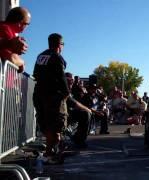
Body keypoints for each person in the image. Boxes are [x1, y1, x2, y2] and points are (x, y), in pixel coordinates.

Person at [33, 33, 69, 164]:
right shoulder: (57, 57)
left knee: (46, 124)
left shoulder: (40, 56)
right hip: (53, 95)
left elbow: (35, 74)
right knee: (56, 125)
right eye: (63, 44)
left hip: (39, 93)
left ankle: (50, 152)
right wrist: (66, 93)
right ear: (60, 45)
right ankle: (51, 154)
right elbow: (61, 77)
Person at [65, 72, 92, 148]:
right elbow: (73, 103)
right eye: (69, 81)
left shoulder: (70, 90)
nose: (71, 83)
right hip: (60, 115)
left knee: (86, 113)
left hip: (67, 113)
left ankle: (78, 138)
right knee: (86, 114)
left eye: (72, 81)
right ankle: (79, 140)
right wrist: (88, 109)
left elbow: (74, 102)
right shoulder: (62, 89)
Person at [0, 7, 31, 72]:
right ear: (20, 23)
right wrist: (22, 63)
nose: (26, 27)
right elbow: (10, 57)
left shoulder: (7, 29)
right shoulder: (5, 28)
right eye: (27, 24)